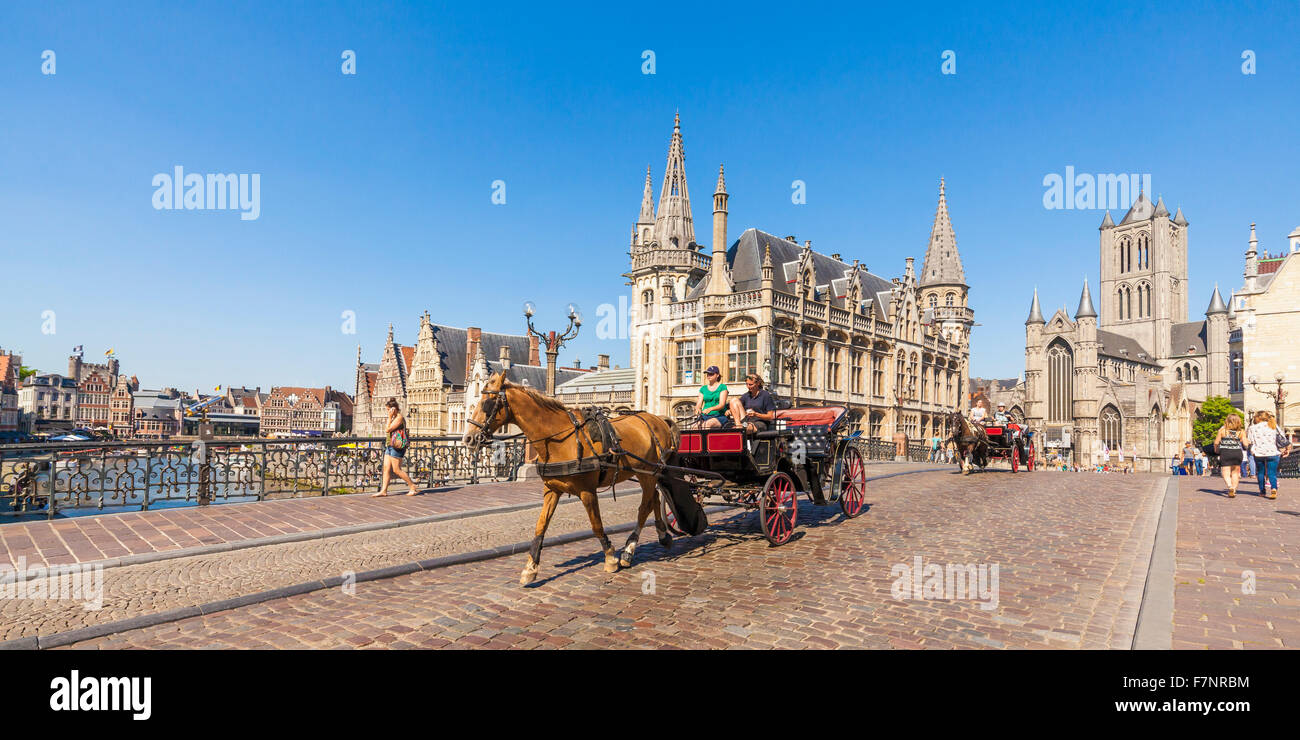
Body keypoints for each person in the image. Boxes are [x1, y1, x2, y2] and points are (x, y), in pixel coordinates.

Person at [372, 398, 419, 496]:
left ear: (394, 409)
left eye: (388, 410)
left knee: (397, 470)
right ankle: (384, 491)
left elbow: (388, 429)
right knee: (386, 468)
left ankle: (412, 486)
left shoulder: (399, 418)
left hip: (397, 447)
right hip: (389, 446)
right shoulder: (394, 418)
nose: (387, 412)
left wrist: (389, 417)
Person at [1247, 411, 1290, 500]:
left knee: (1261, 472)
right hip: (1273, 452)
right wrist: (1287, 449)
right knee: (1272, 473)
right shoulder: (1273, 426)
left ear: (1258, 417)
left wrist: (1252, 450)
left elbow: (1250, 441)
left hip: (1259, 453)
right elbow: (1283, 438)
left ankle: (1262, 491)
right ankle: (1273, 488)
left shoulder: (1252, 428)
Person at [1214, 413, 1247, 498]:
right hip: (1237, 453)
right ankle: (1234, 490)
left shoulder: (1222, 431)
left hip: (1226, 452)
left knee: (1226, 472)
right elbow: (1245, 444)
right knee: (1235, 473)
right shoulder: (1241, 431)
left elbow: (1216, 442)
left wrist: (1216, 449)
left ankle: (1230, 486)